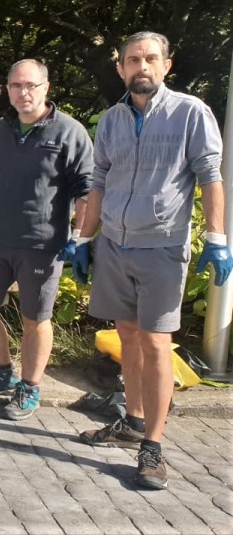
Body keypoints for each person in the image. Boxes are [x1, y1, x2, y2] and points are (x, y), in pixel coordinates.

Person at [73, 32, 228, 490]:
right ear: (121, 68)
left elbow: (210, 177)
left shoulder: (190, 112)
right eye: (132, 59)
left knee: (158, 344)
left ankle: (153, 447)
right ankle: (133, 420)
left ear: (166, 65)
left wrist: (217, 237)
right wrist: (84, 238)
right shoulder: (111, 121)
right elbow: (99, 181)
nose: (141, 66)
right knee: (128, 335)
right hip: (115, 247)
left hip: (162, 247)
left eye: (150, 58)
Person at [0, 59, 93, 421]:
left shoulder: (70, 132)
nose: (24, 93)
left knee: (36, 318)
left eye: (31, 85)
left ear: (46, 87)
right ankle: (4, 373)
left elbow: (87, 190)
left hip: (43, 244)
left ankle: (30, 387)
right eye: (16, 86)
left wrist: (81, 238)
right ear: (7, 90)